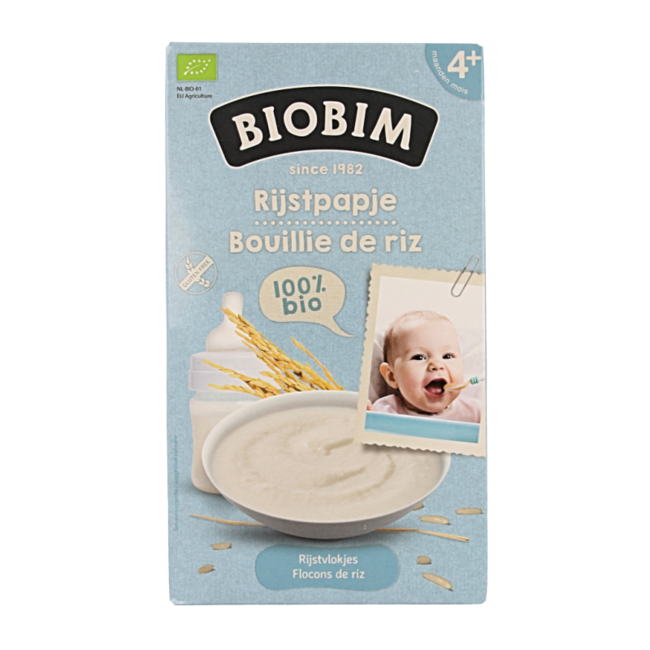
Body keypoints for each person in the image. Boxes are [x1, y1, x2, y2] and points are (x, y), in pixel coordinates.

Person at [370, 311, 481, 423]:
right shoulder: (384, 411)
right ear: (392, 376)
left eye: (447, 356)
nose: (437, 365)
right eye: (419, 357)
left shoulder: (476, 414)